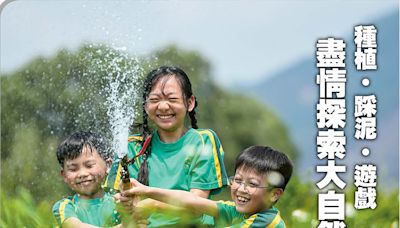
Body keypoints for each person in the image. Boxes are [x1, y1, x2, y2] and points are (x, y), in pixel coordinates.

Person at [106, 66, 228, 227]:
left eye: (172, 99)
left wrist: (153, 205)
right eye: (155, 100)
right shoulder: (133, 148)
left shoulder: (203, 141)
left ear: (190, 103)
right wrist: (124, 203)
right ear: (145, 105)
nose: (163, 107)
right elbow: (122, 205)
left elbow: (198, 204)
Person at [119, 145, 293, 228]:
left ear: (275, 194)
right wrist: (146, 190)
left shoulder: (266, 221)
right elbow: (191, 201)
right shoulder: (236, 211)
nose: (241, 189)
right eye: (238, 180)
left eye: (252, 184)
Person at [52, 131, 121, 228]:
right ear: (64, 176)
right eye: (73, 169)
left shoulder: (118, 202)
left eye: (89, 166)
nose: (82, 174)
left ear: (108, 165)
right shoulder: (64, 207)